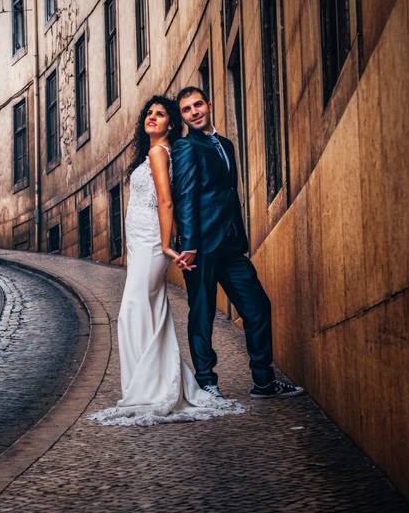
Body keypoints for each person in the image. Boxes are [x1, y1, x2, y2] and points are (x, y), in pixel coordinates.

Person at [89, 96, 244, 426]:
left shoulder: (160, 153)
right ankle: (159, 383)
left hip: (151, 244)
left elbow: (166, 201)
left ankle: (147, 387)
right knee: (153, 309)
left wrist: (167, 244)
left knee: (133, 310)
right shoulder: (156, 153)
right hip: (142, 242)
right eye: (149, 113)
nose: (152, 118)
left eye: (160, 115)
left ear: (171, 124)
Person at [172, 86, 304, 399]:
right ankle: (206, 381)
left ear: (209, 105)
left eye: (198, 105)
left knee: (258, 307)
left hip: (230, 244)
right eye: (187, 110)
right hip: (201, 248)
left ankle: (264, 382)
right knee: (201, 314)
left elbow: (227, 193)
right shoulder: (185, 147)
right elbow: (185, 196)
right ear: (183, 117)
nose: (194, 112)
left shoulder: (226, 145)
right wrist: (188, 244)